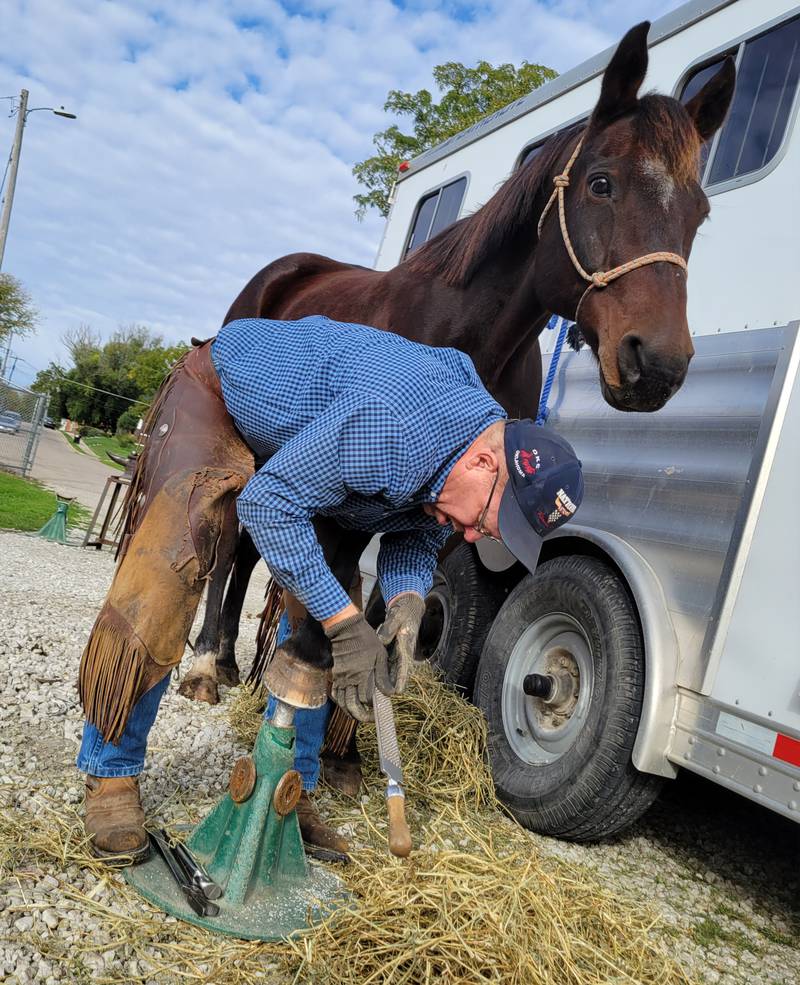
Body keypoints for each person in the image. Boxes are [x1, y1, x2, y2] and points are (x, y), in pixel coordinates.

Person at [77, 316, 583, 862]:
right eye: (488, 518)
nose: (473, 534)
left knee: (323, 613)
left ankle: (289, 791)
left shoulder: (467, 448)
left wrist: (406, 605)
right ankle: (110, 774)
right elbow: (267, 505)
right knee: (172, 560)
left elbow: (418, 531)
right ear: (485, 463)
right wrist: (348, 625)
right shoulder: (392, 428)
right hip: (222, 393)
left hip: (316, 439)